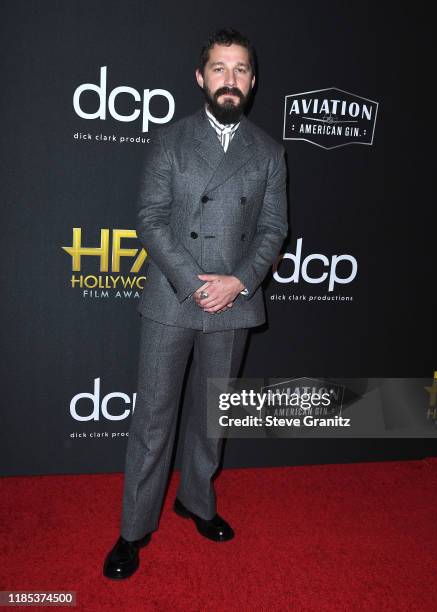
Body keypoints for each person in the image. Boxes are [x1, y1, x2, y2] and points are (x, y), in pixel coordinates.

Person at [103, 27, 288, 580]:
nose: (228, 80)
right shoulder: (170, 140)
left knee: (211, 417)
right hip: (172, 298)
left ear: (252, 82)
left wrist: (238, 282)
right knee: (154, 420)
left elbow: (274, 230)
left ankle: (197, 502)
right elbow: (151, 220)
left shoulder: (270, 152)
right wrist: (194, 281)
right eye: (218, 68)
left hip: (234, 301)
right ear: (200, 77)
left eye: (239, 70)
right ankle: (133, 530)